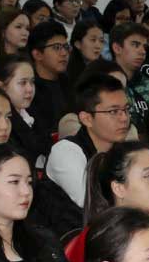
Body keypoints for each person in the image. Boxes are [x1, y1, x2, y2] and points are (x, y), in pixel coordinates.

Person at [49, 73, 131, 211]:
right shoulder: (66, 152)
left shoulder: (124, 152)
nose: (124, 118)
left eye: (126, 109)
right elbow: (93, 206)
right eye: (113, 111)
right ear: (86, 119)